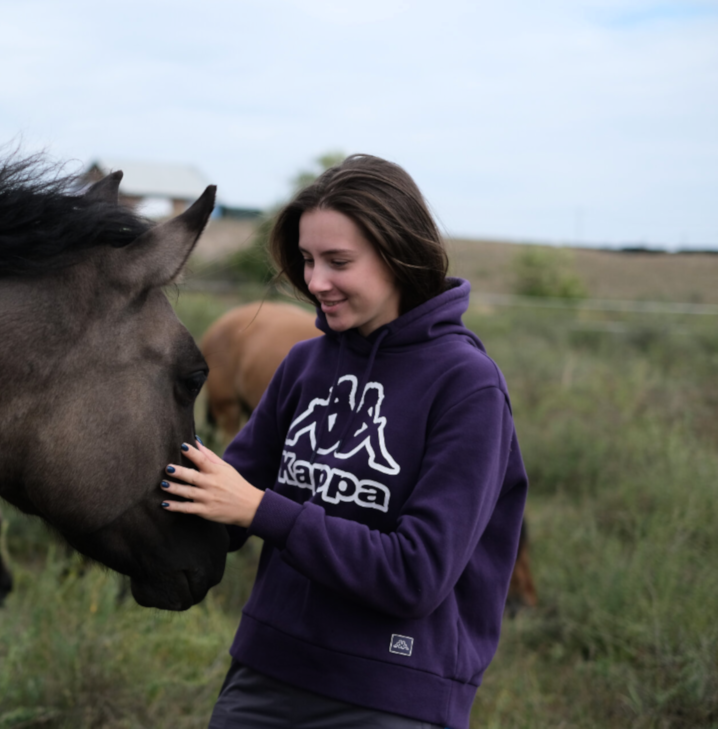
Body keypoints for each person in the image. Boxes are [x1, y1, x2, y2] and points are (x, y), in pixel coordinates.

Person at [160, 154, 528, 729]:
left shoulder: (468, 386)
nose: (314, 282)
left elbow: (418, 575)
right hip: (265, 673)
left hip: (392, 695)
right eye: (307, 260)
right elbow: (222, 507)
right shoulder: (305, 363)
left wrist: (262, 509)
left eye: (338, 261)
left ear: (399, 253)